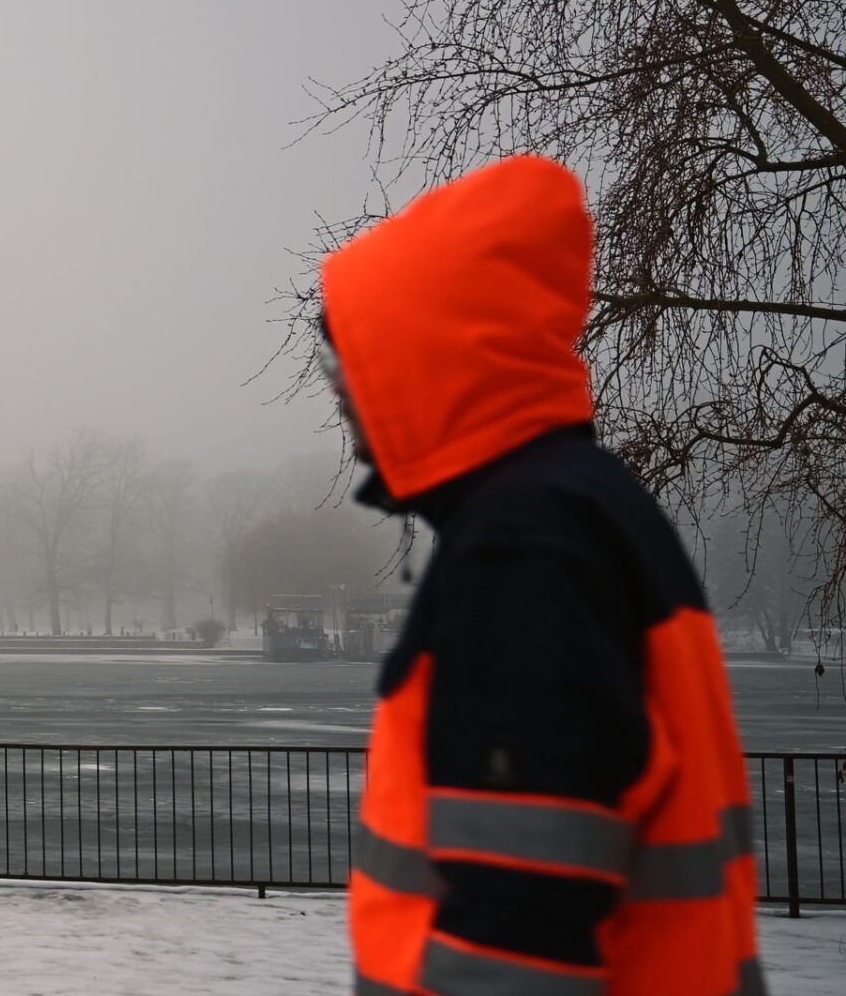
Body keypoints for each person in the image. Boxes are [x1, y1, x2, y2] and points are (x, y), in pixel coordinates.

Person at [320, 155, 764, 995]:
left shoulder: (521, 551)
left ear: (427, 360)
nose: (345, 403)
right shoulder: (581, 509)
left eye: (357, 369)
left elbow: (513, 936)